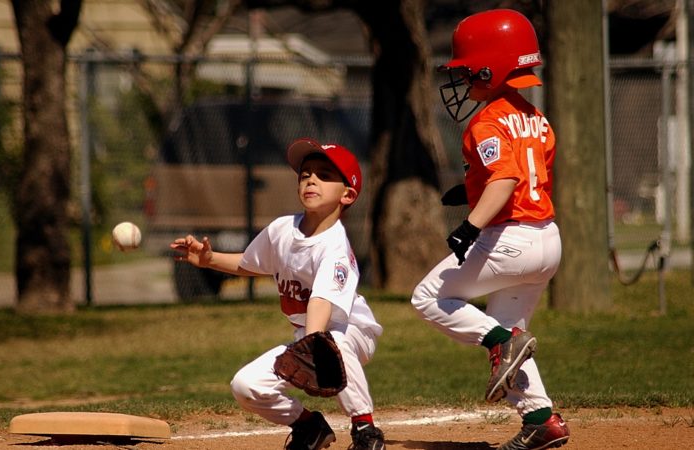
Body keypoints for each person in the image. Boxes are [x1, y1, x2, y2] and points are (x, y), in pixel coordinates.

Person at [410, 9, 570, 450]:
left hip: (510, 239)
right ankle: (541, 419)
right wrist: (471, 190)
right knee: (507, 325)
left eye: (466, 72)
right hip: (547, 239)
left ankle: (504, 341)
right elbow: (525, 173)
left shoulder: (487, 121)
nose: (462, 81)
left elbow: (506, 179)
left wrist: (469, 225)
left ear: (491, 68)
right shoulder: (535, 116)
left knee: (428, 296)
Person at [171, 138, 386, 450]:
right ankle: (310, 427)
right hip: (308, 336)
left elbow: (321, 302)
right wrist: (209, 259)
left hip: (352, 330)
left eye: (325, 175)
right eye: (305, 174)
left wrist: (312, 343)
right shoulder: (282, 229)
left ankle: (365, 430)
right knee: (246, 385)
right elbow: (249, 263)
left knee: (332, 341)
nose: (311, 179)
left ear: (348, 194)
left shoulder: (335, 247)